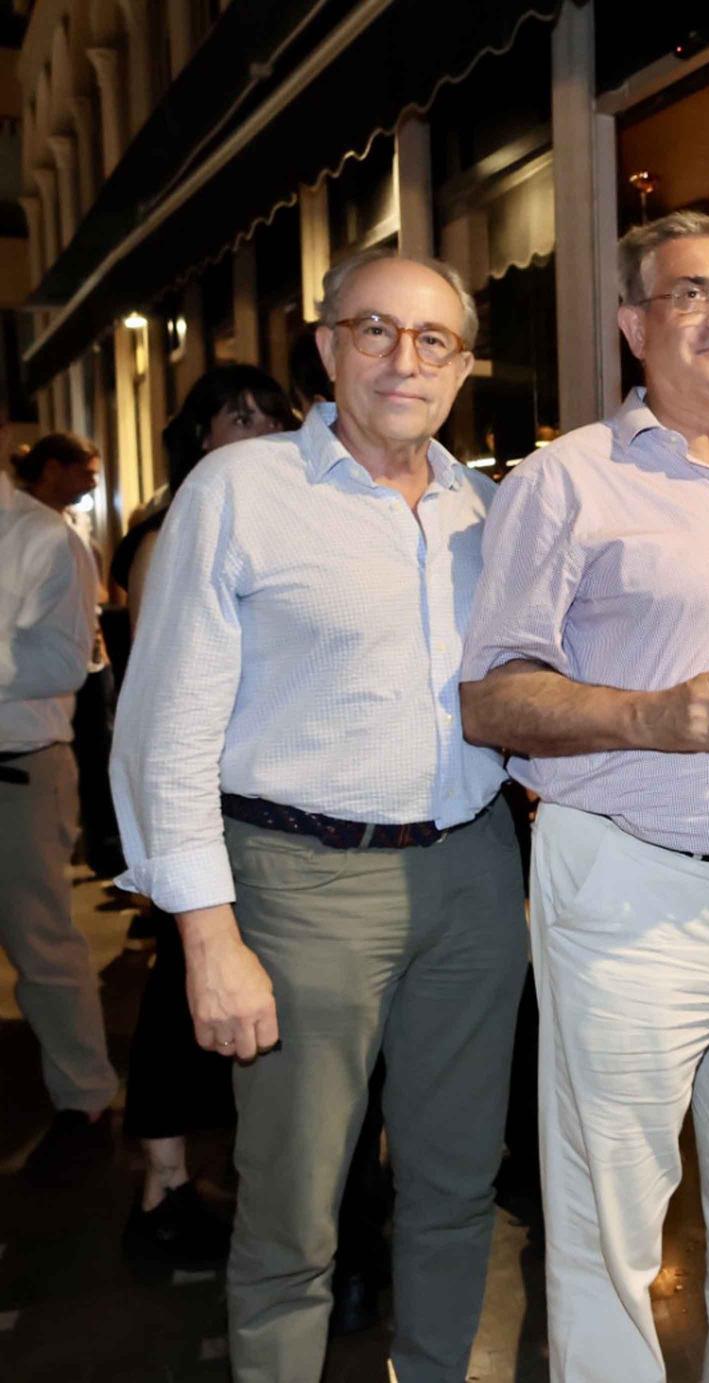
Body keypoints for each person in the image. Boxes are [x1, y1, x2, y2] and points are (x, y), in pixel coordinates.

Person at [110, 250, 527, 1383]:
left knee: (455, 1189)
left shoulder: (485, 509)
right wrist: (207, 940)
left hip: (473, 875)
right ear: (327, 344)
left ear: (464, 365)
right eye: (376, 330)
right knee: (293, 1216)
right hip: (299, 884)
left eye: (433, 339)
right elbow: (165, 730)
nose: (405, 358)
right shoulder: (239, 492)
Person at [458, 210, 709, 1383]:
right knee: (608, 1217)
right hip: (636, 888)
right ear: (635, 325)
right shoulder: (565, 480)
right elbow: (492, 699)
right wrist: (649, 716)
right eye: (690, 294)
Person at [112, 367, 296, 1270]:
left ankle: (179, 1184)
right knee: (179, 995)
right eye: (239, 417)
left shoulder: (271, 516)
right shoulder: (179, 528)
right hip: (199, 799)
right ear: (200, 433)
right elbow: (167, 690)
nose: (258, 431)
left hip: (242, 797)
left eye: (272, 416)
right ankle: (163, 1185)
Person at [1, 434, 119, 1187]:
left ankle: (86, 1102)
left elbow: (63, 661)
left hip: (18, 770)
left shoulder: (42, 537)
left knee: (42, 945)